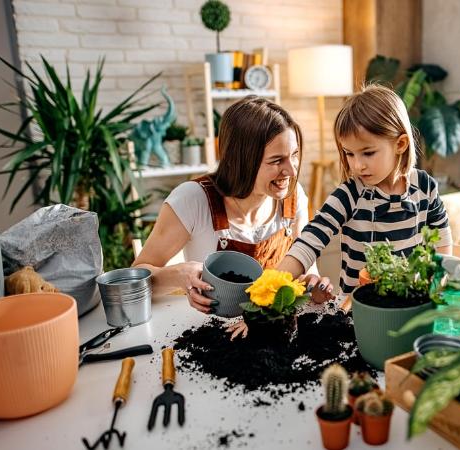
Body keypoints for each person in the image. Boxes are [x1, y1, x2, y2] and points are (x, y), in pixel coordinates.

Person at [133, 96, 331, 315]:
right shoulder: (192, 200)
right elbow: (136, 275)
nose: (292, 171)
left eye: (294, 155)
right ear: (241, 160)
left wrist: (312, 284)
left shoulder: (293, 198)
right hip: (209, 332)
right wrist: (178, 275)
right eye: (276, 160)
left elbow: (306, 272)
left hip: (272, 331)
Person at [279, 84, 453, 295]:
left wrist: (438, 286)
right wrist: (274, 283)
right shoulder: (349, 195)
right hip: (358, 309)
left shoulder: (425, 187)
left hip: (410, 302)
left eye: (368, 153)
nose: (357, 165)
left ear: (401, 144)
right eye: (349, 154)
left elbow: (442, 242)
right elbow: (310, 240)